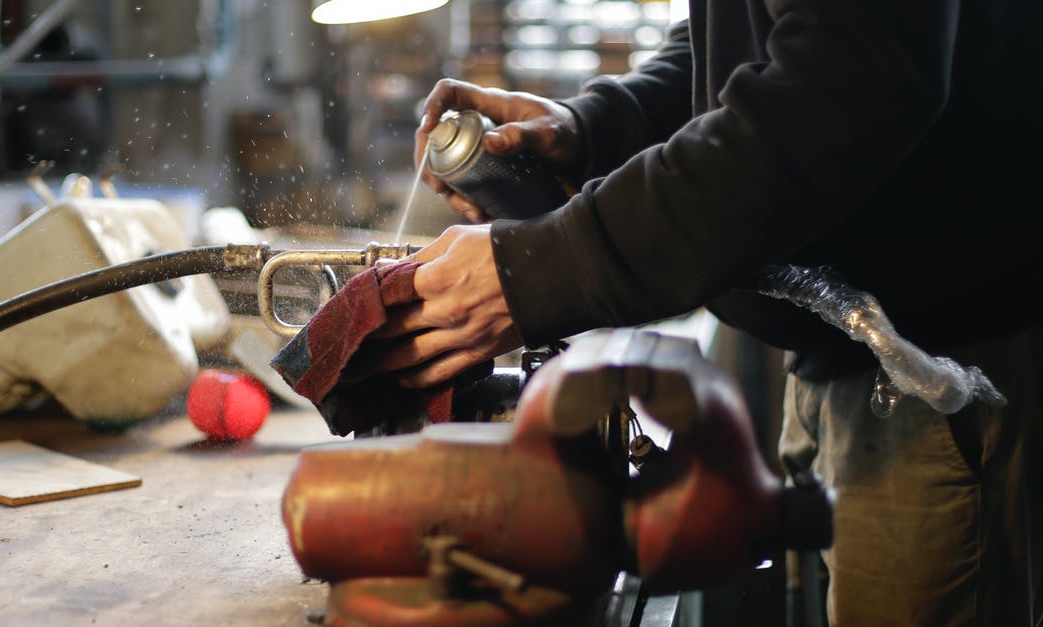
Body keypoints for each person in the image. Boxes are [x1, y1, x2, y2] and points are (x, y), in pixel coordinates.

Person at [371, 1, 1043, 625]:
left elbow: (843, 83)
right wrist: (597, 126)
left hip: (943, 376)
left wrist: (545, 267)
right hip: (850, 365)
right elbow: (740, 38)